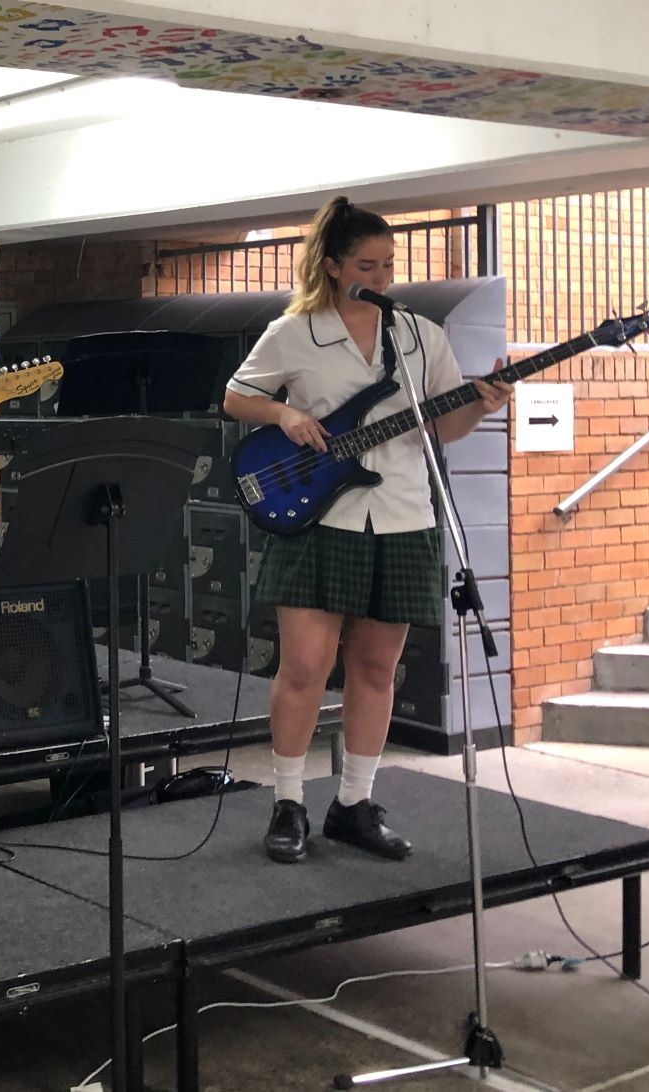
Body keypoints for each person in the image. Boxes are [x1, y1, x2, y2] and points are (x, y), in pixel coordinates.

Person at [222, 196, 511, 865]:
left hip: (405, 515)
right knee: (302, 667)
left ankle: (353, 803)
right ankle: (287, 801)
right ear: (331, 266)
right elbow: (235, 397)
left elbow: (442, 427)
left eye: (388, 265)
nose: (381, 278)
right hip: (322, 517)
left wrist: (480, 401)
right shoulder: (295, 331)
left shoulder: (417, 337)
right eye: (366, 266)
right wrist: (283, 417)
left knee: (376, 669)